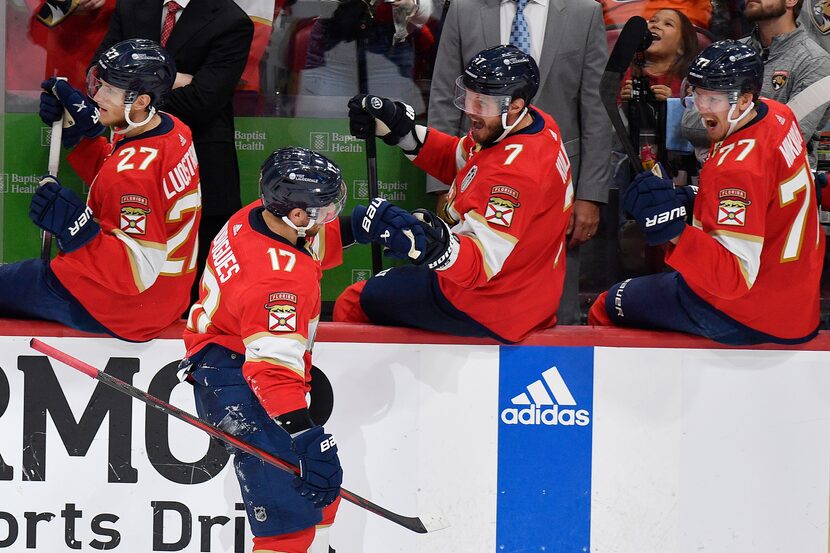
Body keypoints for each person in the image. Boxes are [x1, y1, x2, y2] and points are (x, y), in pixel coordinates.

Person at [589, 40, 825, 345]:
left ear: (744, 99)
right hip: (798, 302)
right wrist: (695, 196)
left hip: (748, 313)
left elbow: (733, 279)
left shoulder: (734, 169)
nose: (701, 107)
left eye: (713, 98)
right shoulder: (777, 115)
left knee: (608, 304)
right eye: (698, 94)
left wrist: (673, 229)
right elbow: (764, 193)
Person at [334, 45, 574, 343]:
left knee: (354, 300)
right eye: (469, 97)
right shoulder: (532, 125)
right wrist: (400, 130)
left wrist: (435, 247)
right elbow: (461, 161)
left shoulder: (514, 175)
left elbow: (479, 265)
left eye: (481, 103)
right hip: (530, 289)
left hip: (491, 303)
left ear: (514, 105)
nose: (471, 110)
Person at [179, 147, 346, 553]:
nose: (330, 217)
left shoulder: (255, 216)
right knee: (287, 528)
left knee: (319, 495)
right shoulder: (277, 283)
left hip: (228, 357)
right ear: (296, 214)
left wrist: (364, 225)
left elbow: (307, 246)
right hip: (241, 385)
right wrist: (305, 436)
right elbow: (270, 372)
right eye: (324, 209)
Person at [0, 38, 200, 342]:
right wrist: (81, 134)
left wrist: (75, 229)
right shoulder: (172, 129)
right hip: (166, 297)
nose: (97, 96)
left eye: (110, 90)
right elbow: (122, 176)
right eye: (100, 84)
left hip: (124, 306)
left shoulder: (133, 175)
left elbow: (138, 269)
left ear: (142, 101)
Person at [426, 0, 610, 325]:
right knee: (467, 286)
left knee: (555, 301)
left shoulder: (585, 12)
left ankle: (555, 368)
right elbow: (443, 94)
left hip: (552, 187)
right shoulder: (463, 9)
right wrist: (443, 185)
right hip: (478, 175)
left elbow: (596, 107)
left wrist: (590, 194)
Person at [93, 0, 253, 305]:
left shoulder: (232, 20)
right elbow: (99, 72)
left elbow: (203, 101)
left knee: (201, 291)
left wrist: (137, 97)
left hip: (201, 162)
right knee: (126, 265)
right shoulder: (131, 6)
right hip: (131, 162)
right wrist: (173, 80)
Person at [682, 0, 830, 168]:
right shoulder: (728, 53)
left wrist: (721, 116)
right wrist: (754, 121)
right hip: (716, 176)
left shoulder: (815, 62)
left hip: (778, 185)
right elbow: (689, 124)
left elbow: (784, 138)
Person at [620, 8, 699, 102]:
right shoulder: (623, 71)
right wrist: (623, 101)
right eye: (652, 21)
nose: (655, 25)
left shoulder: (688, 83)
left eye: (668, 24)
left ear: (681, 47)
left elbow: (693, 114)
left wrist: (672, 103)